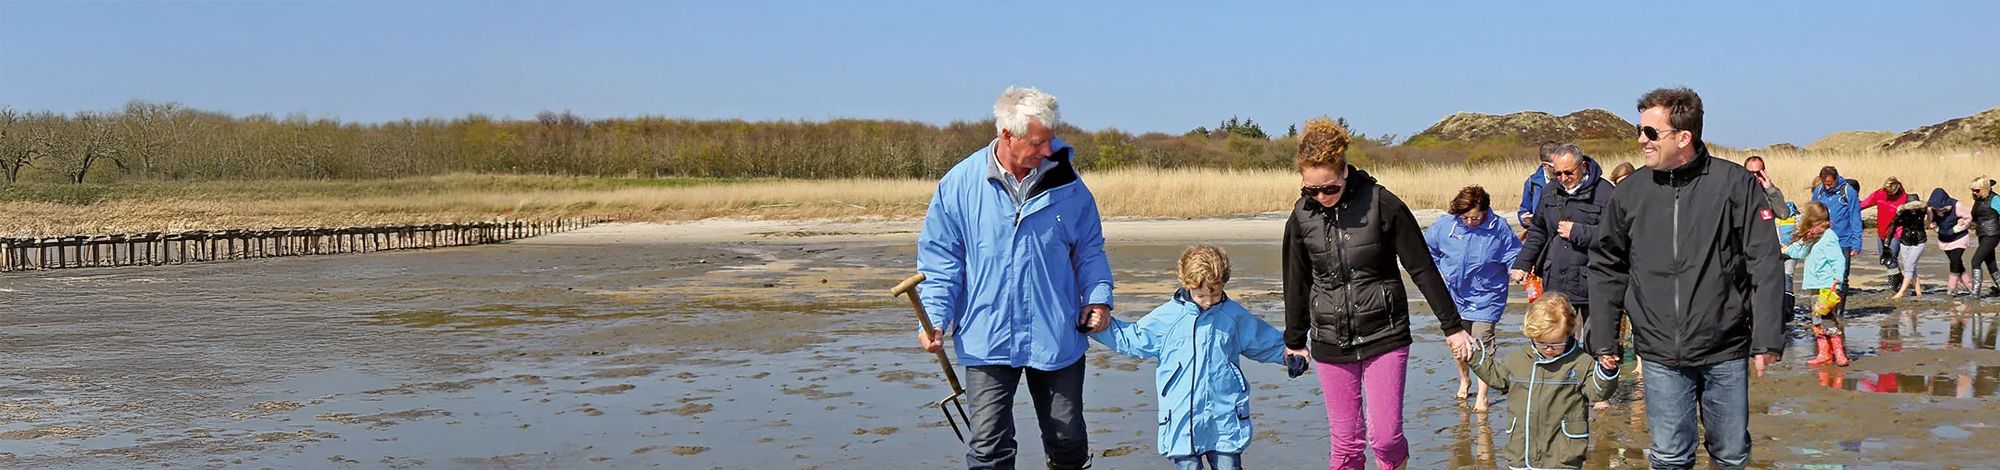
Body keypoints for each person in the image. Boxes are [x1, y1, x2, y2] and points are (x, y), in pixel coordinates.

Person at [915, 86, 1114, 470]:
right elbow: (941, 263)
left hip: (1057, 334)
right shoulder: (959, 185)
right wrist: (936, 319)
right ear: (1007, 134)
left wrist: (1099, 298)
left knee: (1068, 441)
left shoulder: (1070, 186)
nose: (1046, 150)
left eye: (1050, 140)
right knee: (989, 449)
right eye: (1038, 142)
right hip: (986, 335)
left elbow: (1089, 250)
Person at [1588, 87, 1786, 469]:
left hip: (1724, 347)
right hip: (1660, 351)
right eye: (1640, 129)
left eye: (1650, 132)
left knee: (1730, 454)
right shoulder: (1630, 193)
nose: (1640, 140)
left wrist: (1767, 338)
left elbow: (1764, 262)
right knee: (1669, 456)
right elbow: (1606, 266)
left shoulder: (1734, 185)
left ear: (1683, 137)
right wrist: (1605, 339)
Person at [1282, 117, 1474, 470]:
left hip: (1384, 334)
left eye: (1329, 188)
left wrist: (1453, 326)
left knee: (1384, 440)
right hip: (1329, 339)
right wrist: (1295, 340)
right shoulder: (1300, 216)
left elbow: (1421, 267)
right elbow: (1296, 281)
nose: (1320, 197)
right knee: (1346, 448)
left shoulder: (1382, 204)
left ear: (1344, 173)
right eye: (1310, 190)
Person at [1088, 245, 1286, 470]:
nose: (1209, 300)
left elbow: (1263, 341)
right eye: (1201, 294)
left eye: (1215, 292)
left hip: (1224, 415)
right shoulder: (1168, 317)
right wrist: (1099, 326)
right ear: (1187, 285)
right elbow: (1133, 339)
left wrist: (1290, 354)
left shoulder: (1233, 316)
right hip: (1182, 416)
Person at [1466, 293, 1620, 470]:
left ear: (1569, 333)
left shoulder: (1581, 362)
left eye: (1556, 344)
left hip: (1563, 454)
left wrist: (1607, 370)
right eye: (1541, 343)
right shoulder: (1518, 359)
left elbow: (1598, 392)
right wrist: (1474, 356)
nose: (1548, 349)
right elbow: (1498, 379)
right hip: (1521, 450)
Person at [1423, 185, 1521, 412]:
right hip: (1454, 294)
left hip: (1488, 295)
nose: (1469, 222)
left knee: (1482, 340)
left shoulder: (1499, 228)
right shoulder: (1444, 225)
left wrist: (1516, 269)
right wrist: (1439, 275)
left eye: (1475, 218)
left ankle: (1483, 396)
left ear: (1485, 211)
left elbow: (1513, 253)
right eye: (1464, 218)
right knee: (1460, 343)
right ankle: (1465, 379)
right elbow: (1428, 250)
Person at [1510, 143, 1611, 351]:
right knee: (1559, 339)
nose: (1563, 178)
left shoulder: (1606, 192)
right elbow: (1538, 230)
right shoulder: (1550, 191)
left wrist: (1578, 232)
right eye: (1558, 173)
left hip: (1594, 280)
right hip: (1557, 278)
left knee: (1598, 343)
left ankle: (1595, 380)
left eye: (1568, 172)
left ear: (1582, 166)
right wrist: (1522, 263)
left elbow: (1616, 236)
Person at [1785, 202, 1851, 367]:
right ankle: (1824, 353)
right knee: (1817, 319)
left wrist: (1837, 280)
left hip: (1828, 286)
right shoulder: (1811, 236)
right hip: (1816, 285)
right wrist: (1785, 250)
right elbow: (1798, 251)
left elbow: (1838, 259)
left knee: (1827, 318)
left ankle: (1839, 353)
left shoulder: (1829, 236)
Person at [1860, 177, 1913, 284]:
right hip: (1881, 232)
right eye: (1887, 191)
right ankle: (1902, 280)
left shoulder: (1904, 198)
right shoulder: (1880, 193)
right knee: (1883, 259)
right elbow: (1864, 204)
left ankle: (1894, 285)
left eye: (1891, 192)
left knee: (1891, 259)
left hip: (1896, 233)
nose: (1888, 194)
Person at [1929, 188, 1974, 296]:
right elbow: (1930, 222)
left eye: (1941, 209)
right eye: (1937, 209)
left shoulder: (1957, 206)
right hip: (1944, 239)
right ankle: (1971, 287)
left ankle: (1951, 289)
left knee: (1954, 262)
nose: (1939, 212)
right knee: (1958, 264)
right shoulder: (1931, 210)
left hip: (1959, 238)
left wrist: (1958, 227)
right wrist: (1934, 227)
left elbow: (1969, 217)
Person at [1891, 199, 1930, 299]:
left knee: (1909, 266)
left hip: (1920, 241)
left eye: (1915, 207)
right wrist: (1898, 214)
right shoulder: (1903, 213)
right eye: (1911, 207)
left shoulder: (1923, 212)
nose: (1913, 210)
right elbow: (1895, 224)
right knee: (1911, 267)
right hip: (1905, 241)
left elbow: (1930, 214)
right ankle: (1918, 292)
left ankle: (1901, 292)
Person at [1968, 177, 2000, 297]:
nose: (1974, 193)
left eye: (1977, 190)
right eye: (1973, 191)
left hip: (1992, 235)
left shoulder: (1995, 199)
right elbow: (1974, 217)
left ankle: (1975, 293)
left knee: (1975, 261)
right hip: (1982, 234)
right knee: (1991, 264)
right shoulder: (1979, 200)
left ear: (1985, 188)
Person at [1518, 140, 1562, 227]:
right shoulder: (1532, 182)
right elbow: (1524, 209)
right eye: (1555, 165)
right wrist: (1524, 220)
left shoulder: (1568, 179)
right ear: (1544, 165)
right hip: (1541, 235)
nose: (1560, 167)